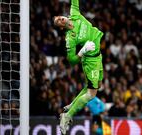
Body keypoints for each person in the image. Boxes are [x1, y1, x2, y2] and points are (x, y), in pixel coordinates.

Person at [53, 0, 104, 134]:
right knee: (92, 94)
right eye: (58, 22)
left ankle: (73, 104)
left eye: (59, 17)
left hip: (98, 56)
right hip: (90, 61)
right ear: (61, 27)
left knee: (97, 84)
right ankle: (67, 116)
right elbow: (72, 61)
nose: (60, 19)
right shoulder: (70, 38)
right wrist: (82, 52)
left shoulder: (74, 14)